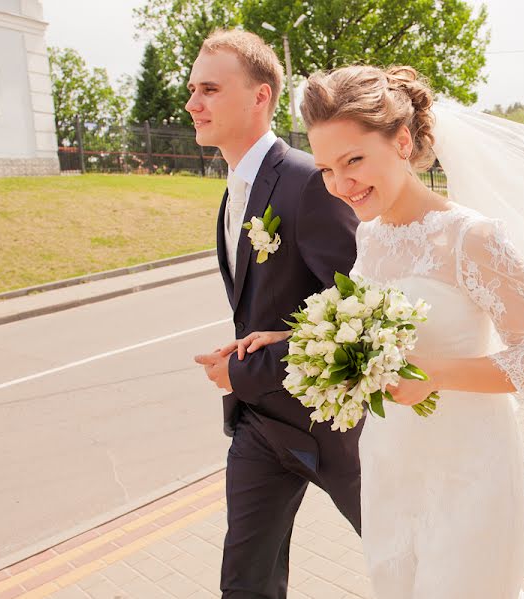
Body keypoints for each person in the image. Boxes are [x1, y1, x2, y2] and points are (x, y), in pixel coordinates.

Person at [238, 63, 524, 598]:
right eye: (326, 169)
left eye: (354, 160)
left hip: (469, 468)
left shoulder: (472, 237)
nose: (340, 184)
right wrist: (300, 341)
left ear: (401, 142)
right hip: (391, 465)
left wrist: (431, 376)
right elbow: (375, 335)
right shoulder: (369, 238)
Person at [186, 30, 362, 598]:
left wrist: (245, 369)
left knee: (406, 555)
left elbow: (361, 315)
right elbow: (266, 306)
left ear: (261, 97)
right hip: (260, 426)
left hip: (335, 431)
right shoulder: (234, 190)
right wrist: (241, 359)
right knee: (245, 584)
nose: (193, 103)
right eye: (192, 89)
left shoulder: (310, 182)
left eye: (210, 89)